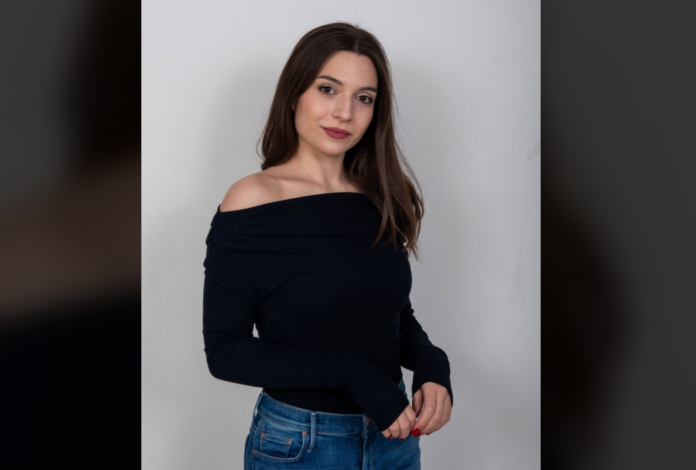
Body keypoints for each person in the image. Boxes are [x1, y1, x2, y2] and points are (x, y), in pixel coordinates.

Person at [202, 22, 453, 469]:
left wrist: (433, 363)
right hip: (301, 444)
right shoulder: (253, 199)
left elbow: (392, 316)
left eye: (364, 98)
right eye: (327, 89)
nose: (344, 113)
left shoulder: (379, 196)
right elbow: (226, 352)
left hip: (396, 438)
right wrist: (352, 375)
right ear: (294, 94)